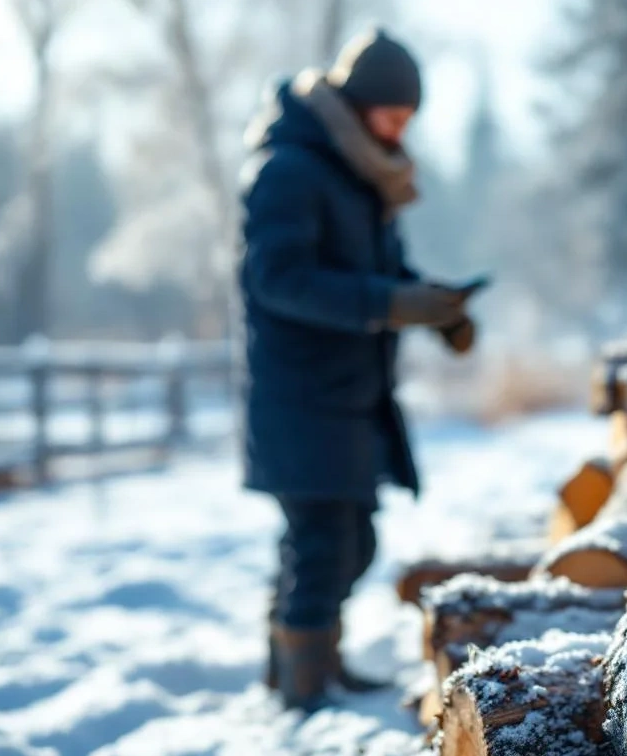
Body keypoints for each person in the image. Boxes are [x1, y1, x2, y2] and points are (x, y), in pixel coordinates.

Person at [238, 28, 477, 711]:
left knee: (347, 539)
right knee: (323, 542)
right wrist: (392, 302)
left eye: (408, 117)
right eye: (394, 114)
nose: (403, 128)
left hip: (347, 394)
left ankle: (304, 666)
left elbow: (381, 274)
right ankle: (302, 689)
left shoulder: (356, 172)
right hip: (301, 394)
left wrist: (438, 308)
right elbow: (277, 279)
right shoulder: (288, 170)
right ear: (358, 101)